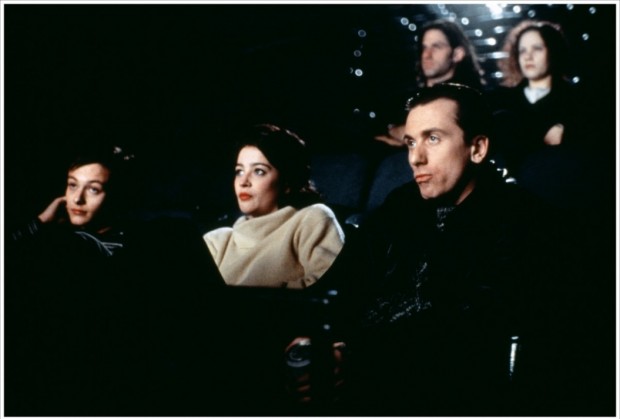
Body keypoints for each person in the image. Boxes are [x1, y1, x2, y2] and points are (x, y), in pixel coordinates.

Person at [317, 83, 599, 415]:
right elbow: (342, 282)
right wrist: (319, 343)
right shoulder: (401, 204)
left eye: (433, 138)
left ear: (477, 148)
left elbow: (470, 332)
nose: (415, 158)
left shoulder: (522, 219)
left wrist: (356, 358)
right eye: (410, 142)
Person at [203, 124, 345, 288]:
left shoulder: (312, 220)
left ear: (287, 181)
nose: (243, 182)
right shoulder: (216, 241)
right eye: (239, 171)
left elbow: (329, 288)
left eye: (259, 171)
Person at [490, 20, 585, 172]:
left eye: (537, 48)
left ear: (553, 51)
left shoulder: (578, 100)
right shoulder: (501, 100)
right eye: (522, 51)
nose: (528, 56)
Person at [374, 19, 485, 146]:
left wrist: (399, 133)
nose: (426, 55)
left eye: (436, 47)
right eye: (424, 47)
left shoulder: (466, 98)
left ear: (457, 54)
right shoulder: (406, 96)